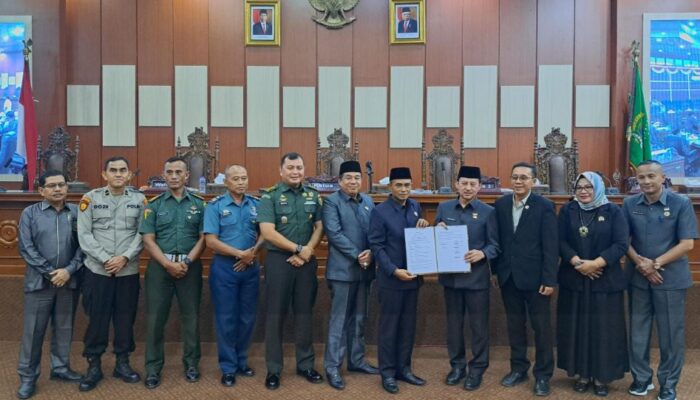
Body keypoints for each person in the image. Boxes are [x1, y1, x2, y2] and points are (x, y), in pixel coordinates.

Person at [623, 160, 697, 400]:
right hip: (639, 279)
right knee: (638, 334)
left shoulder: (680, 203)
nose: (646, 181)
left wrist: (655, 264)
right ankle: (642, 379)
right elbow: (624, 241)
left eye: (651, 176)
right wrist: (642, 265)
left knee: (670, 336)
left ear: (662, 177)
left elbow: (687, 244)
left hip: (670, 281)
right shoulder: (629, 203)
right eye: (641, 177)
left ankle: (668, 383)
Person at [556, 171, 629, 397]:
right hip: (574, 279)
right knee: (576, 328)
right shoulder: (568, 210)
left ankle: (601, 376)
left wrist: (597, 263)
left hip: (605, 281)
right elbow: (559, 240)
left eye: (589, 187)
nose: (584, 191)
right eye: (579, 188)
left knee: (603, 331)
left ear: (598, 188)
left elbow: (621, 244)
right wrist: (577, 262)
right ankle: (581, 374)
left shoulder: (613, 211)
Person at [76, 157, 145, 392]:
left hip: (128, 270)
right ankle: (93, 365)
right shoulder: (90, 199)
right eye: (113, 170)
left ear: (129, 175)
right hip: (98, 271)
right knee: (97, 318)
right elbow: (84, 235)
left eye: (122, 170)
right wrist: (106, 259)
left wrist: (124, 257)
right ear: (104, 174)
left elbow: (142, 234)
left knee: (125, 318)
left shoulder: (140, 200)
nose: (118, 174)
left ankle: (122, 363)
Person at [258, 152, 325, 390]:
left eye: (299, 167)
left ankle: (305, 365)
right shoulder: (269, 196)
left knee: (305, 314)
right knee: (275, 316)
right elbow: (267, 232)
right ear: (281, 170)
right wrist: (298, 249)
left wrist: (307, 250)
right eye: (290, 168)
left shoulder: (313, 196)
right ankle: (274, 369)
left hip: (306, 262)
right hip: (278, 262)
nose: (295, 172)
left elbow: (319, 226)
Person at [139, 156, 206, 389]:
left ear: (187, 175)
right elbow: (148, 240)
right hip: (160, 267)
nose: (175, 176)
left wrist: (186, 261)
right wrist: (167, 264)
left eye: (179, 172)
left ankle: (191, 365)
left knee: (191, 319)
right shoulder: (154, 205)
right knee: (155, 320)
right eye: (170, 172)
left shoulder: (200, 204)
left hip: (190, 267)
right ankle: (153, 368)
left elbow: (203, 239)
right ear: (164, 175)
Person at [16, 170, 84, 399]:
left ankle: (61, 368)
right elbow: (26, 247)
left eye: (62, 185)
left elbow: (83, 246)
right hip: (39, 283)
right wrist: (50, 272)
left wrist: (68, 271)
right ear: (41, 190)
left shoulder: (76, 212)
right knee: (34, 332)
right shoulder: (30, 213)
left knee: (64, 328)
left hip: (69, 280)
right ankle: (27, 377)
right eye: (52, 185)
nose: (58, 189)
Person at [493, 161, 558, 397]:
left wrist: (550, 280)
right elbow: (497, 240)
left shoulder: (545, 206)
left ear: (534, 181)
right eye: (514, 177)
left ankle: (543, 375)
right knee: (515, 326)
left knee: (541, 328)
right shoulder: (500, 205)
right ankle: (518, 368)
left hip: (537, 280)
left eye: (523, 177)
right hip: (509, 277)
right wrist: (495, 272)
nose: (518, 182)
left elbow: (551, 247)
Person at [435, 166, 500, 391]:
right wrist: (437, 229)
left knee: (478, 326)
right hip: (451, 279)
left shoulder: (488, 212)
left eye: (473, 184)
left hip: (477, 279)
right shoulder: (443, 208)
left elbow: (495, 245)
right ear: (457, 184)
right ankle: (457, 366)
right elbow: (436, 239)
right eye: (464, 183)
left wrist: (483, 253)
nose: (468, 188)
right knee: (454, 326)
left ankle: (477, 369)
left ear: (479, 187)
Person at [368, 167, 430, 394]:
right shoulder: (380, 211)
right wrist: (394, 270)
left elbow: (418, 238)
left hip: (413, 278)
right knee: (389, 328)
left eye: (407, 185)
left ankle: (404, 369)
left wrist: (423, 225)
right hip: (391, 279)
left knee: (407, 327)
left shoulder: (415, 207)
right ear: (390, 186)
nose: (404, 189)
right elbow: (377, 246)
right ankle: (387, 373)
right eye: (399, 185)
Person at [203, 165, 263, 387]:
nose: (241, 182)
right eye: (235, 178)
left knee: (247, 317)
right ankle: (228, 367)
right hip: (225, 268)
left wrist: (253, 253)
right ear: (226, 183)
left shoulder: (257, 204)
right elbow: (210, 241)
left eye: (244, 178)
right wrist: (240, 254)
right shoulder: (215, 206)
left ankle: (241, 361)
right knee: (226, 318)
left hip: (251, 268)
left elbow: (265, 234)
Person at [322, 160, 379, 390]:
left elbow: (376, 231)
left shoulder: (368, 201)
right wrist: (359, 255)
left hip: (365, 270)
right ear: (339, 181)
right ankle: (332, 366)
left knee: (359, 318)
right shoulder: (331, 202)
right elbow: (334, 234)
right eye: (348, 178)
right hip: (342, 271)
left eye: (357, 178)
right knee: (339, 321)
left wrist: (372, 253)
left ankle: (356, 360)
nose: (353, 182)